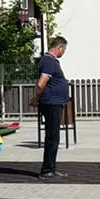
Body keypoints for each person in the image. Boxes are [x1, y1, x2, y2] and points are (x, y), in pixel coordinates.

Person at [33, 36, 69, 178]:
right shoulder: (49, 61)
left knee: (53, 136)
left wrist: (37, 98)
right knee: (52, 137)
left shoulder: (50, 61)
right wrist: (38, 97)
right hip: (52, 103)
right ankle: (47, 169)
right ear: (59, 48)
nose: (64, 53)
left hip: (54, 102)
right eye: (64, 50)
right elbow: (41, 83)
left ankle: (51, 168)